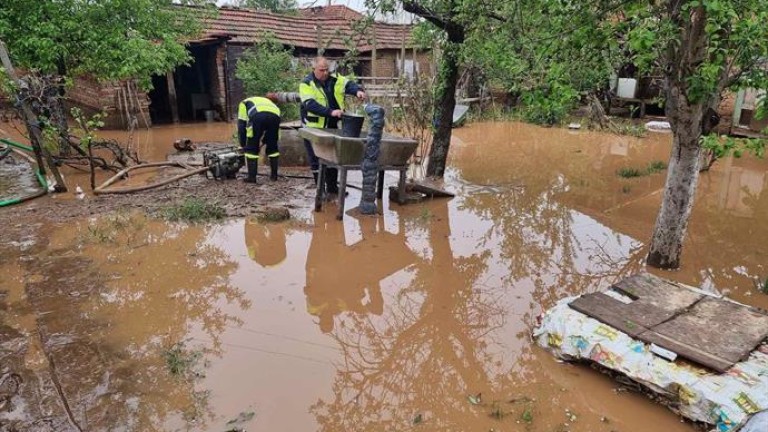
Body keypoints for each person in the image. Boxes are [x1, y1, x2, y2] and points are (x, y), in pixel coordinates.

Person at [299, 56, 366, 194]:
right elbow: (310, 105)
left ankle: (332, 189)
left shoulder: (335, 79)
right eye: (321, 70)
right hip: (313, 127)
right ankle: (320, 191)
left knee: (333, 157)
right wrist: (331, 112)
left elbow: (348, 84)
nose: (325, 73)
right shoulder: (306, 84)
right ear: (314, 69)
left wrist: (357, 91)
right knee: (316, 159)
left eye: (327, 70)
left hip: (332, 126)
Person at [237, 94, 281, 183]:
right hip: (275, 117)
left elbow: (242, 125)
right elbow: (271, 133)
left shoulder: (244, 103)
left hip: (257, 116)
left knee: (252, 148)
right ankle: (274, 176)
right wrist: (264, 141)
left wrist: (243, 145)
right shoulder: (274, 106)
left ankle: (252, 178)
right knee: (273, 147)